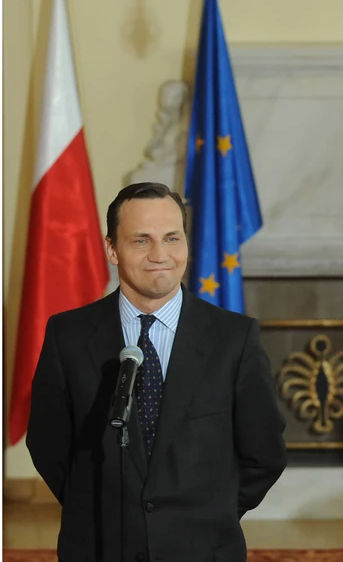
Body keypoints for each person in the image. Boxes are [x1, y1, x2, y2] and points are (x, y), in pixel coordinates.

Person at [27, 182, 287, 561]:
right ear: (112, 250)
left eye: (171, 238)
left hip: (203, 550)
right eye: (141, 240)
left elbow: (264, 453)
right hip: (99, 547)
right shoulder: (68, 335)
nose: (159, 255)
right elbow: (48, 444)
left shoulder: (235, 338)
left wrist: (211, 515)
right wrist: (97, 510)